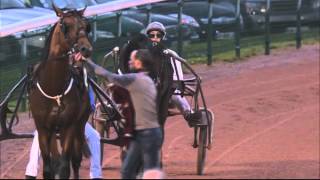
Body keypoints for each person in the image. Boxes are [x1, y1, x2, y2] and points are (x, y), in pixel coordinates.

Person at [78, 49, 163, 179]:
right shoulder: (147, 80)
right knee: (129, 172)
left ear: (139, 63)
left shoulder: (136, 79)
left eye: (132, 60)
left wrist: (86, 61)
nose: (129, 62)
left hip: (147, 134)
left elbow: (107, 75)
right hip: (145, 133)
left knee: (145, 174)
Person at [145, 22, 202, 127]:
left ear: (163, 37)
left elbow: (177, 80)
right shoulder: (141, 55)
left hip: (167, 93)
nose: (155, 38)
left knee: (174, 92)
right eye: (151, 35)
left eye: (158, 35)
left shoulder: (171, 55)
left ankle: (188, 114)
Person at [25, 123, 102, 179]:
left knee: (94, 136)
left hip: (75, 122)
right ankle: (31, 173)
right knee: (39, 135)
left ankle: (96, 175)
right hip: (51, 123)